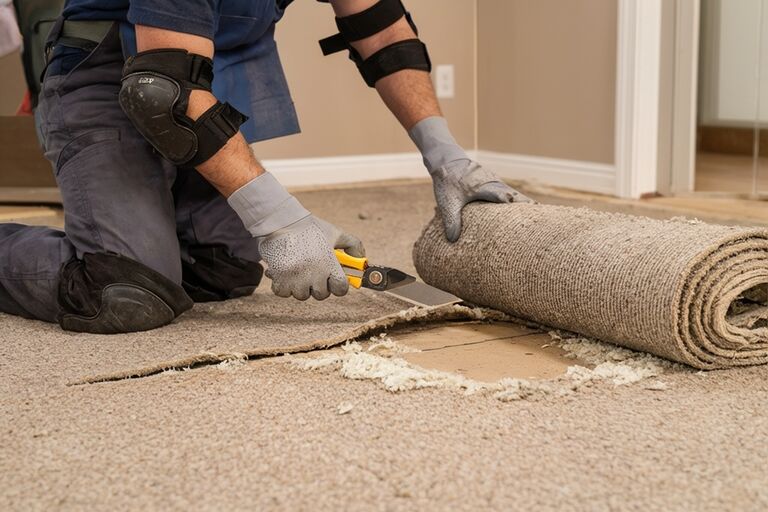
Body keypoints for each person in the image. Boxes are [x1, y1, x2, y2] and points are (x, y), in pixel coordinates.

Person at [0, 0, 531, 334]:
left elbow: (385, 35)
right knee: (128, 292)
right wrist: (279, 220)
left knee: (223, 268)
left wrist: (448, 159)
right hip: (109, 79)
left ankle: (145, 228)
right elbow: (162, 92)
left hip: (201, 82)